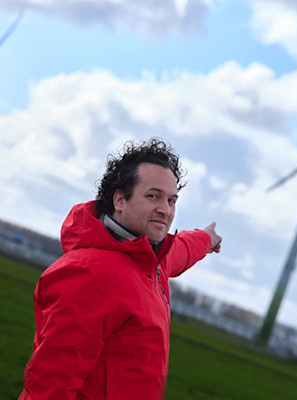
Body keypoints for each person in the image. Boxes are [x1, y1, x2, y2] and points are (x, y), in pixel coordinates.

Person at [19, 138, 222, 400]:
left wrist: (206, 239)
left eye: (172, 200)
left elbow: (182, 250)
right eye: (153, 196)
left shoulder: (152, 262)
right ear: (120, 200)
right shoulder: (88, 273)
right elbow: (50, 385)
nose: (165, 209)